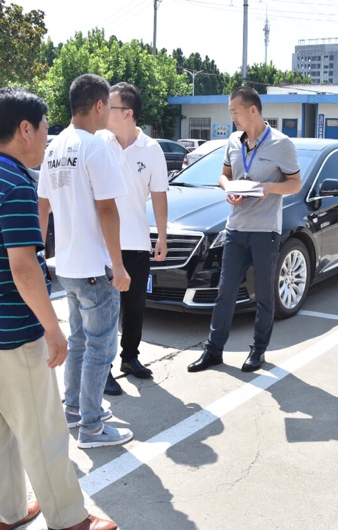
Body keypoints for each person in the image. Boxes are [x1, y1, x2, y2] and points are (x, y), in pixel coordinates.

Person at [0, 87, 117, 530]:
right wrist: (52, 328)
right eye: (45, 128)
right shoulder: (15, 185)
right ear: (24, 129)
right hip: (12, 333)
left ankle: (3, 512)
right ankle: (66, 514)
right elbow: (24, 268)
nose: (48, 137)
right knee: (43, 429)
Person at [37, 74, 133, 449]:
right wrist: (119, 265)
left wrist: (41, 252)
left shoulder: (54, 147)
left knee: (79, 341)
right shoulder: (95, 147)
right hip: (95, 268)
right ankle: (91, 427)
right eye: (108, 106)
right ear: (98, 105)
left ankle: (75, 409)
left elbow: (43, 205)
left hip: (68, 266)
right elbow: (107, 210)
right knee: (100, 347)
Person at [187, 87, 301, 373]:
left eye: (235, 112)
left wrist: (268, 188)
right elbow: (224, 176)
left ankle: (258, 350)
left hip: (265, 231)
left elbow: (295, 184)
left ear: (252, 110)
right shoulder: (233, 141)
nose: (232, 117)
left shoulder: (281, 144)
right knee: (225, 292)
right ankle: (213, 350)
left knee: (263, 295)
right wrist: (229, 188)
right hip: (236, 228)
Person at [96, 82, 169, 393]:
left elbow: (159, 195)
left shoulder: (151, 150)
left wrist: (162, 236)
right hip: (101, 244)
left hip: (137, 241)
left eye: (109, 106)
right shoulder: (98, 142)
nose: (102, 110)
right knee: (105, 310)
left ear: (127, 113)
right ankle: (103, 368)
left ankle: (130, 358)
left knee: (135, 305)